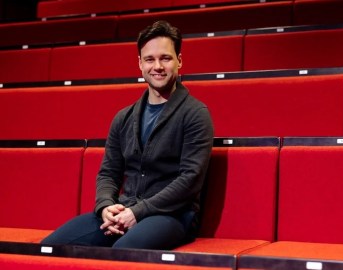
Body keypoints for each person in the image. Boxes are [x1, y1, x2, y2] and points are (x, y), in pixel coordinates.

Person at [41, 20, 214, 250]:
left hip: (173, 215)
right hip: (125, 209)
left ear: (179, 61)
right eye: (150, 59)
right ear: (140, 64)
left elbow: (189, 181)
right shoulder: (123, 117)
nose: (158, 66)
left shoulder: (195, 114)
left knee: (122, 251)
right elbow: (108, 173)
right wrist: (105, 207)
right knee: (50, 247)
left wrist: (137, 212)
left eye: (166, 58)